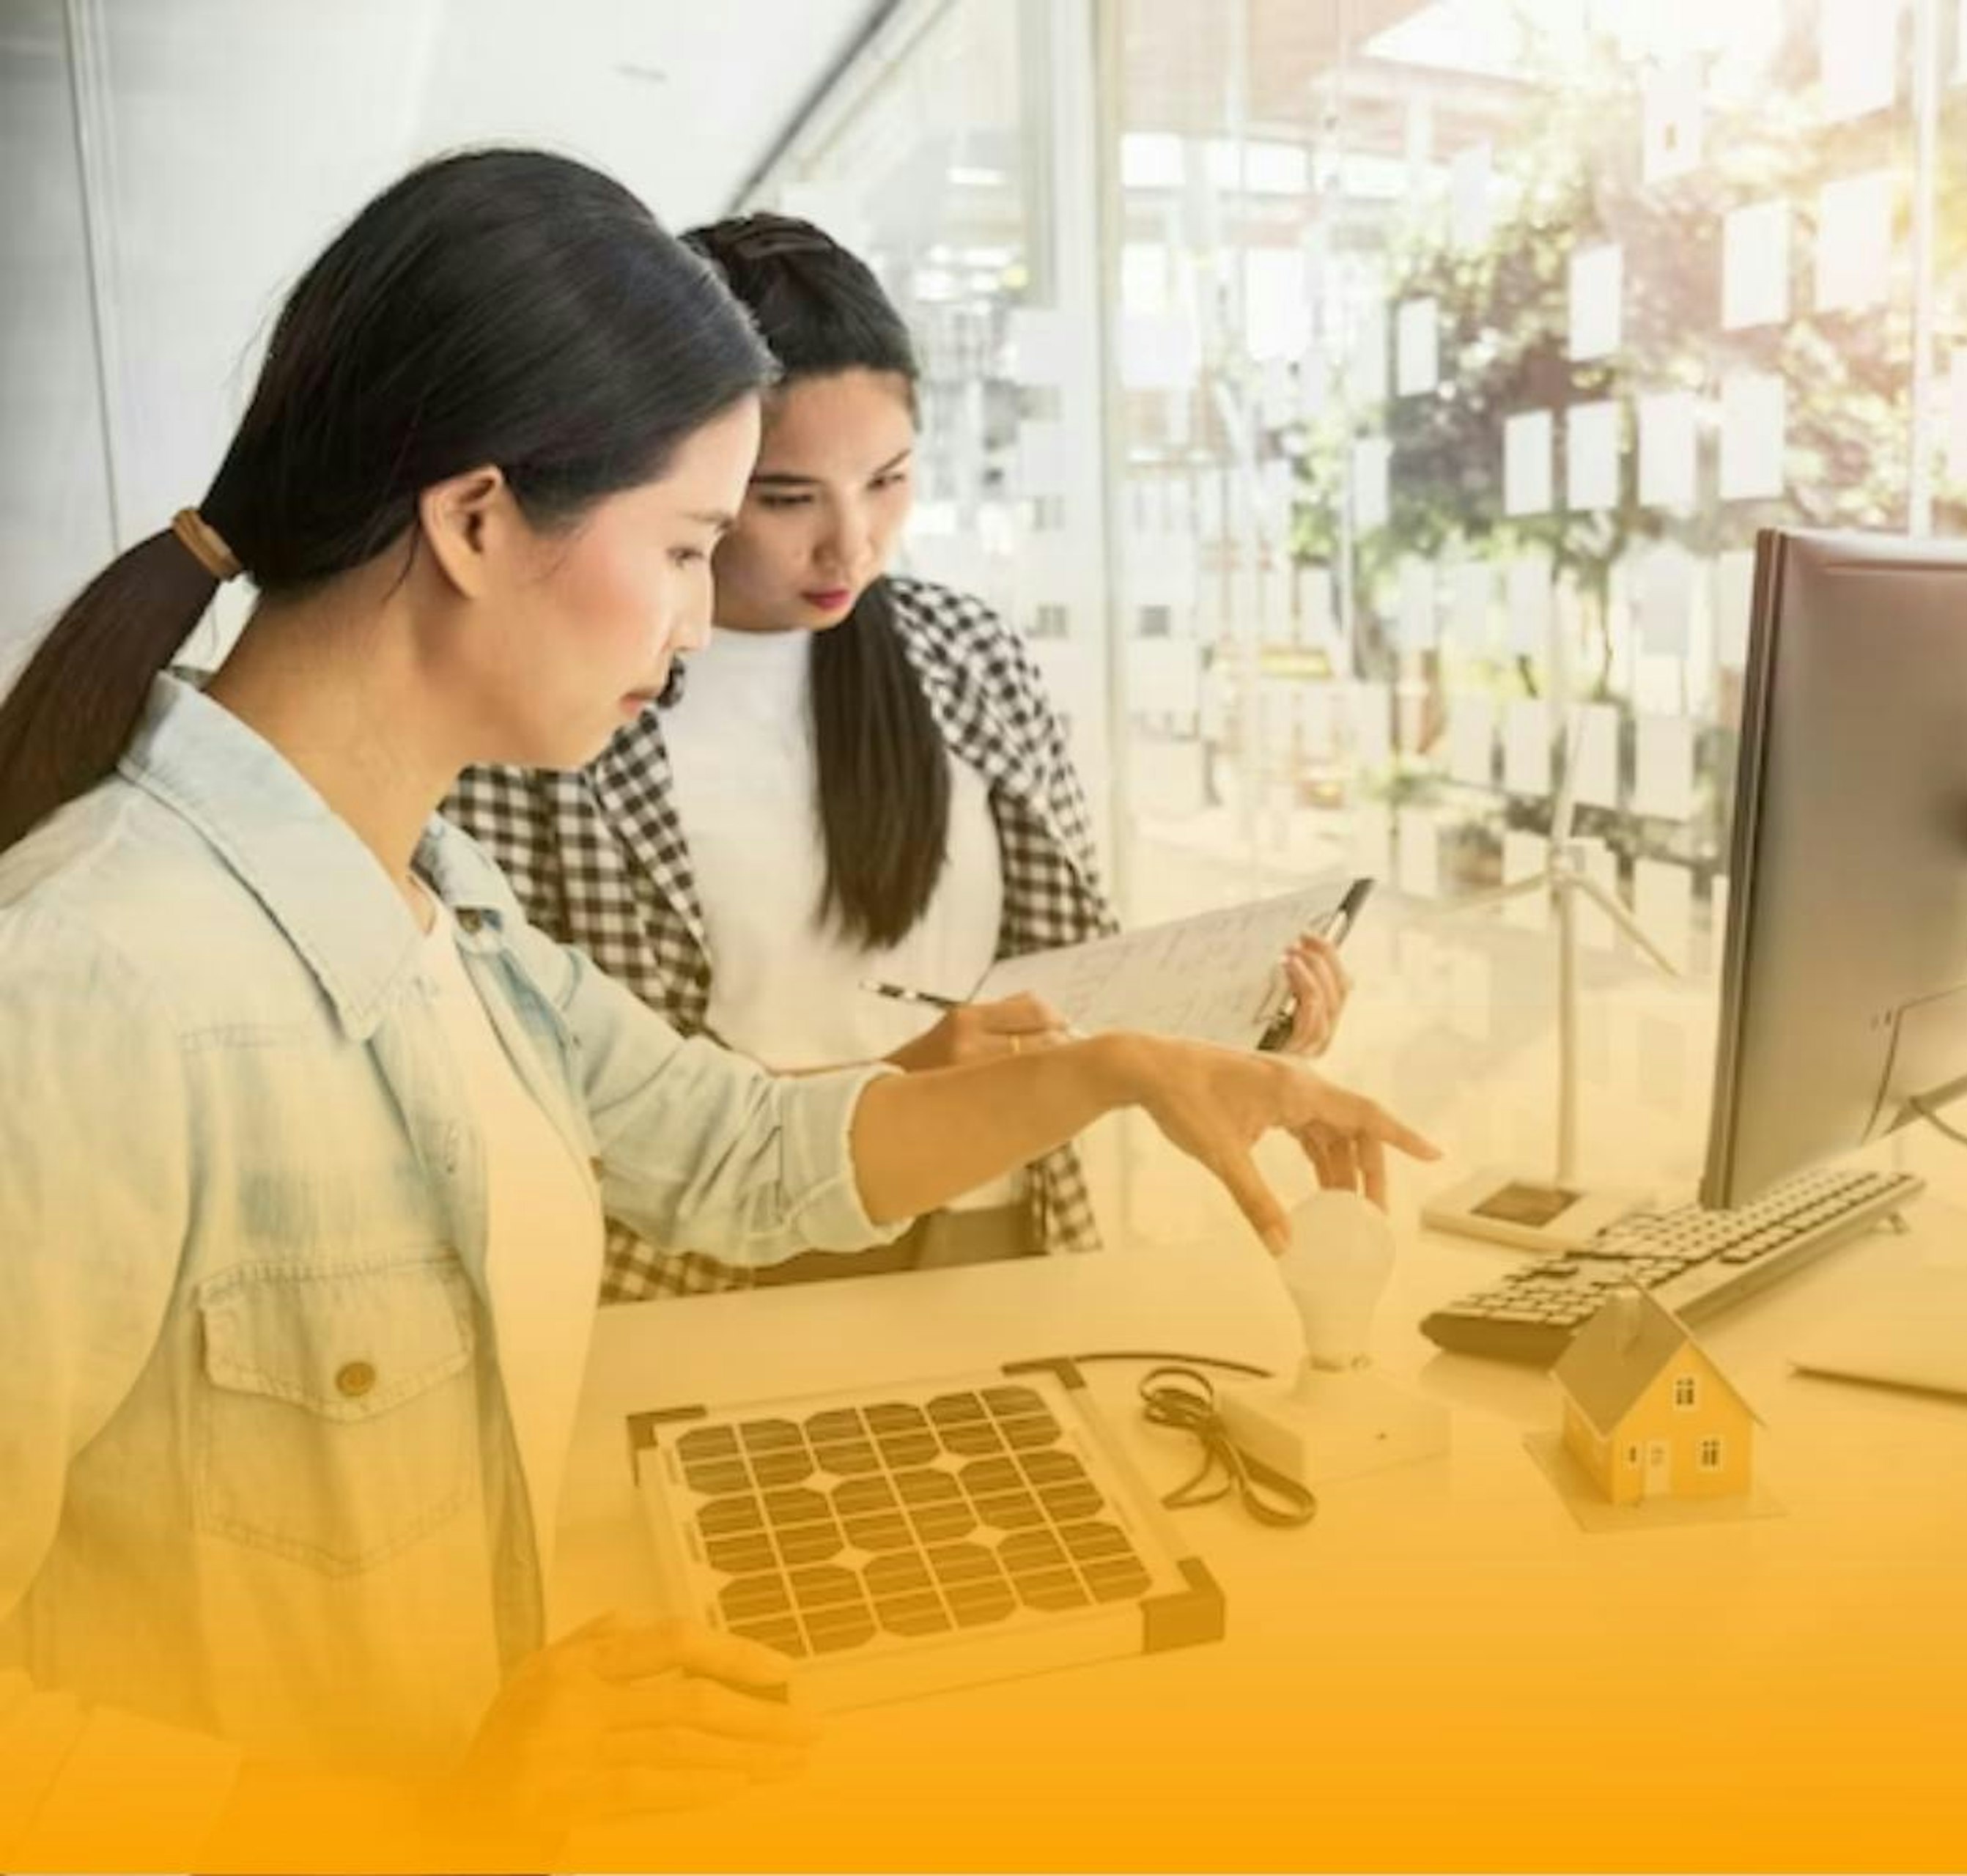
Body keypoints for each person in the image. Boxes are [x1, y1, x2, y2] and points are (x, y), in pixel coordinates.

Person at [0, 148, 1432, 1859]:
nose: (693, 631)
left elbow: (740, 1148)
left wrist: (1124, 1066)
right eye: (687, 546)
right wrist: (426, 1808)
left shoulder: (434, 894)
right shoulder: (82, 991)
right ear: (473, 521)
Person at [446, 211, 1351, 1294]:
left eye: (889, 481)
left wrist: (1247, 1013)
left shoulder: (960, 651)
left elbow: (1078, 982)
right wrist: (890, 1080)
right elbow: (545, 1087)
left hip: (988, 1221)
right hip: (697, 1266)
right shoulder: (558, 691)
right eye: (786, 498)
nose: (854, 545)